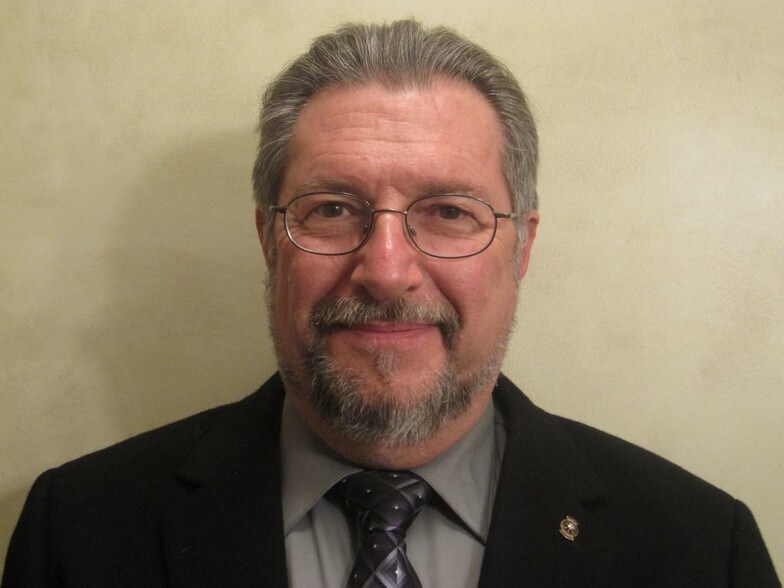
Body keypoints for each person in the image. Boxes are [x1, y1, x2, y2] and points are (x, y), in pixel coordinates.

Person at [3, 19, 779, 588]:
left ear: (522, 248)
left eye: (449, 212)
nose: (385, 270)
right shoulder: (77, 532)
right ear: (271, 242)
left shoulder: (702, 551)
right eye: (332, 209)